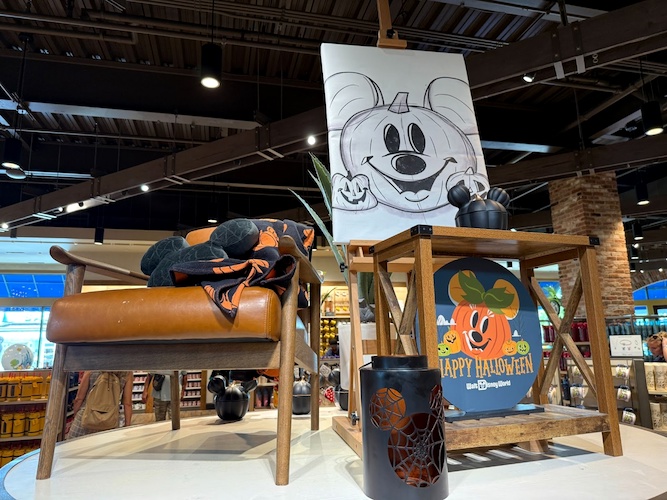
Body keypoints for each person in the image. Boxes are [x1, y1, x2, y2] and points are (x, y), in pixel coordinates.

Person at [67, 371, 133, 439]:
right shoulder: (127, 373)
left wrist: (75, 416)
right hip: (110, 421)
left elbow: (79, 399)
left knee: (75, 444)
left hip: (85, 417)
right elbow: (127, 404)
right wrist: (127, 426)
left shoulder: (92, 369)